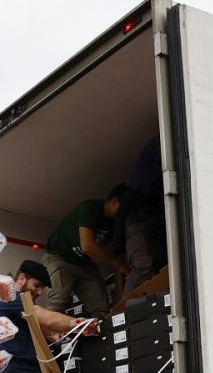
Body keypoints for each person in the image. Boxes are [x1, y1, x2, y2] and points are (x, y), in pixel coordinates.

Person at [39, 185, 128, 319]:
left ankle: (105, 335)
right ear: (115, 202)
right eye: (125, 209)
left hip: (83, 262)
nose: (126, 214)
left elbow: (116, 251)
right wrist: (116, 264)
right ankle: (48, 338)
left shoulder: (114, 224)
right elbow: (87, 246)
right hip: (59, 257)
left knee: (101, 307)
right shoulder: (90, 208)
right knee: (58, 300)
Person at [115, 137, 168, 293]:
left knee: (163, 263)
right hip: (139, 212)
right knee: (142, 265)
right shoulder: (162, 143)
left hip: (154, 215)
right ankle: (126, 314)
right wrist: (118, 250)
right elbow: (121, 215)